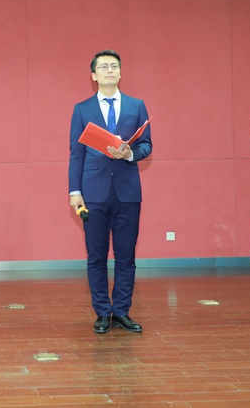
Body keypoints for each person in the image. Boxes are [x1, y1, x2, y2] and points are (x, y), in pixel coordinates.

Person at [68, 50, 152, 334]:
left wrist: (130, 154)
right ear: (94, 75)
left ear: (120, 72)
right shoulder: (82, 109)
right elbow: (76, 153)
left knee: (126, 256)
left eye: (114, 66)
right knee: (96, 257)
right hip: (93, 192)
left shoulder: (136, 105)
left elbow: (147, 145)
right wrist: (74, 191)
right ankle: (103, 312)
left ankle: (122, 312)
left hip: (128, 191)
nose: (109, 70)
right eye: (103, 67)